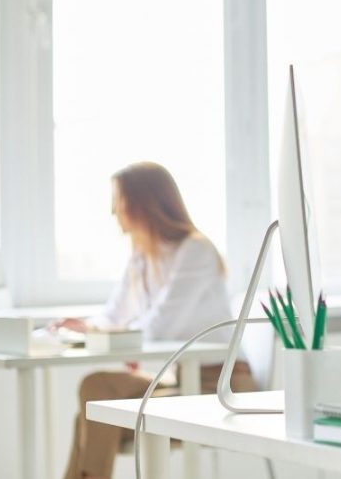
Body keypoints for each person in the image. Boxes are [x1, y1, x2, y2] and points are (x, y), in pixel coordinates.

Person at [59, 162, 256, 479]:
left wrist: (111, 334)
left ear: (141, 204)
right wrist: (83, 326)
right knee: (94, 390)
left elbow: (159, 326)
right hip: (180, 379)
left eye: (118, 202)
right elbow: (115, 314)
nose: (113, 212)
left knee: (92, 416)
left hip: (220, 385)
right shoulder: (141, 255)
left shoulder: (196, 251)